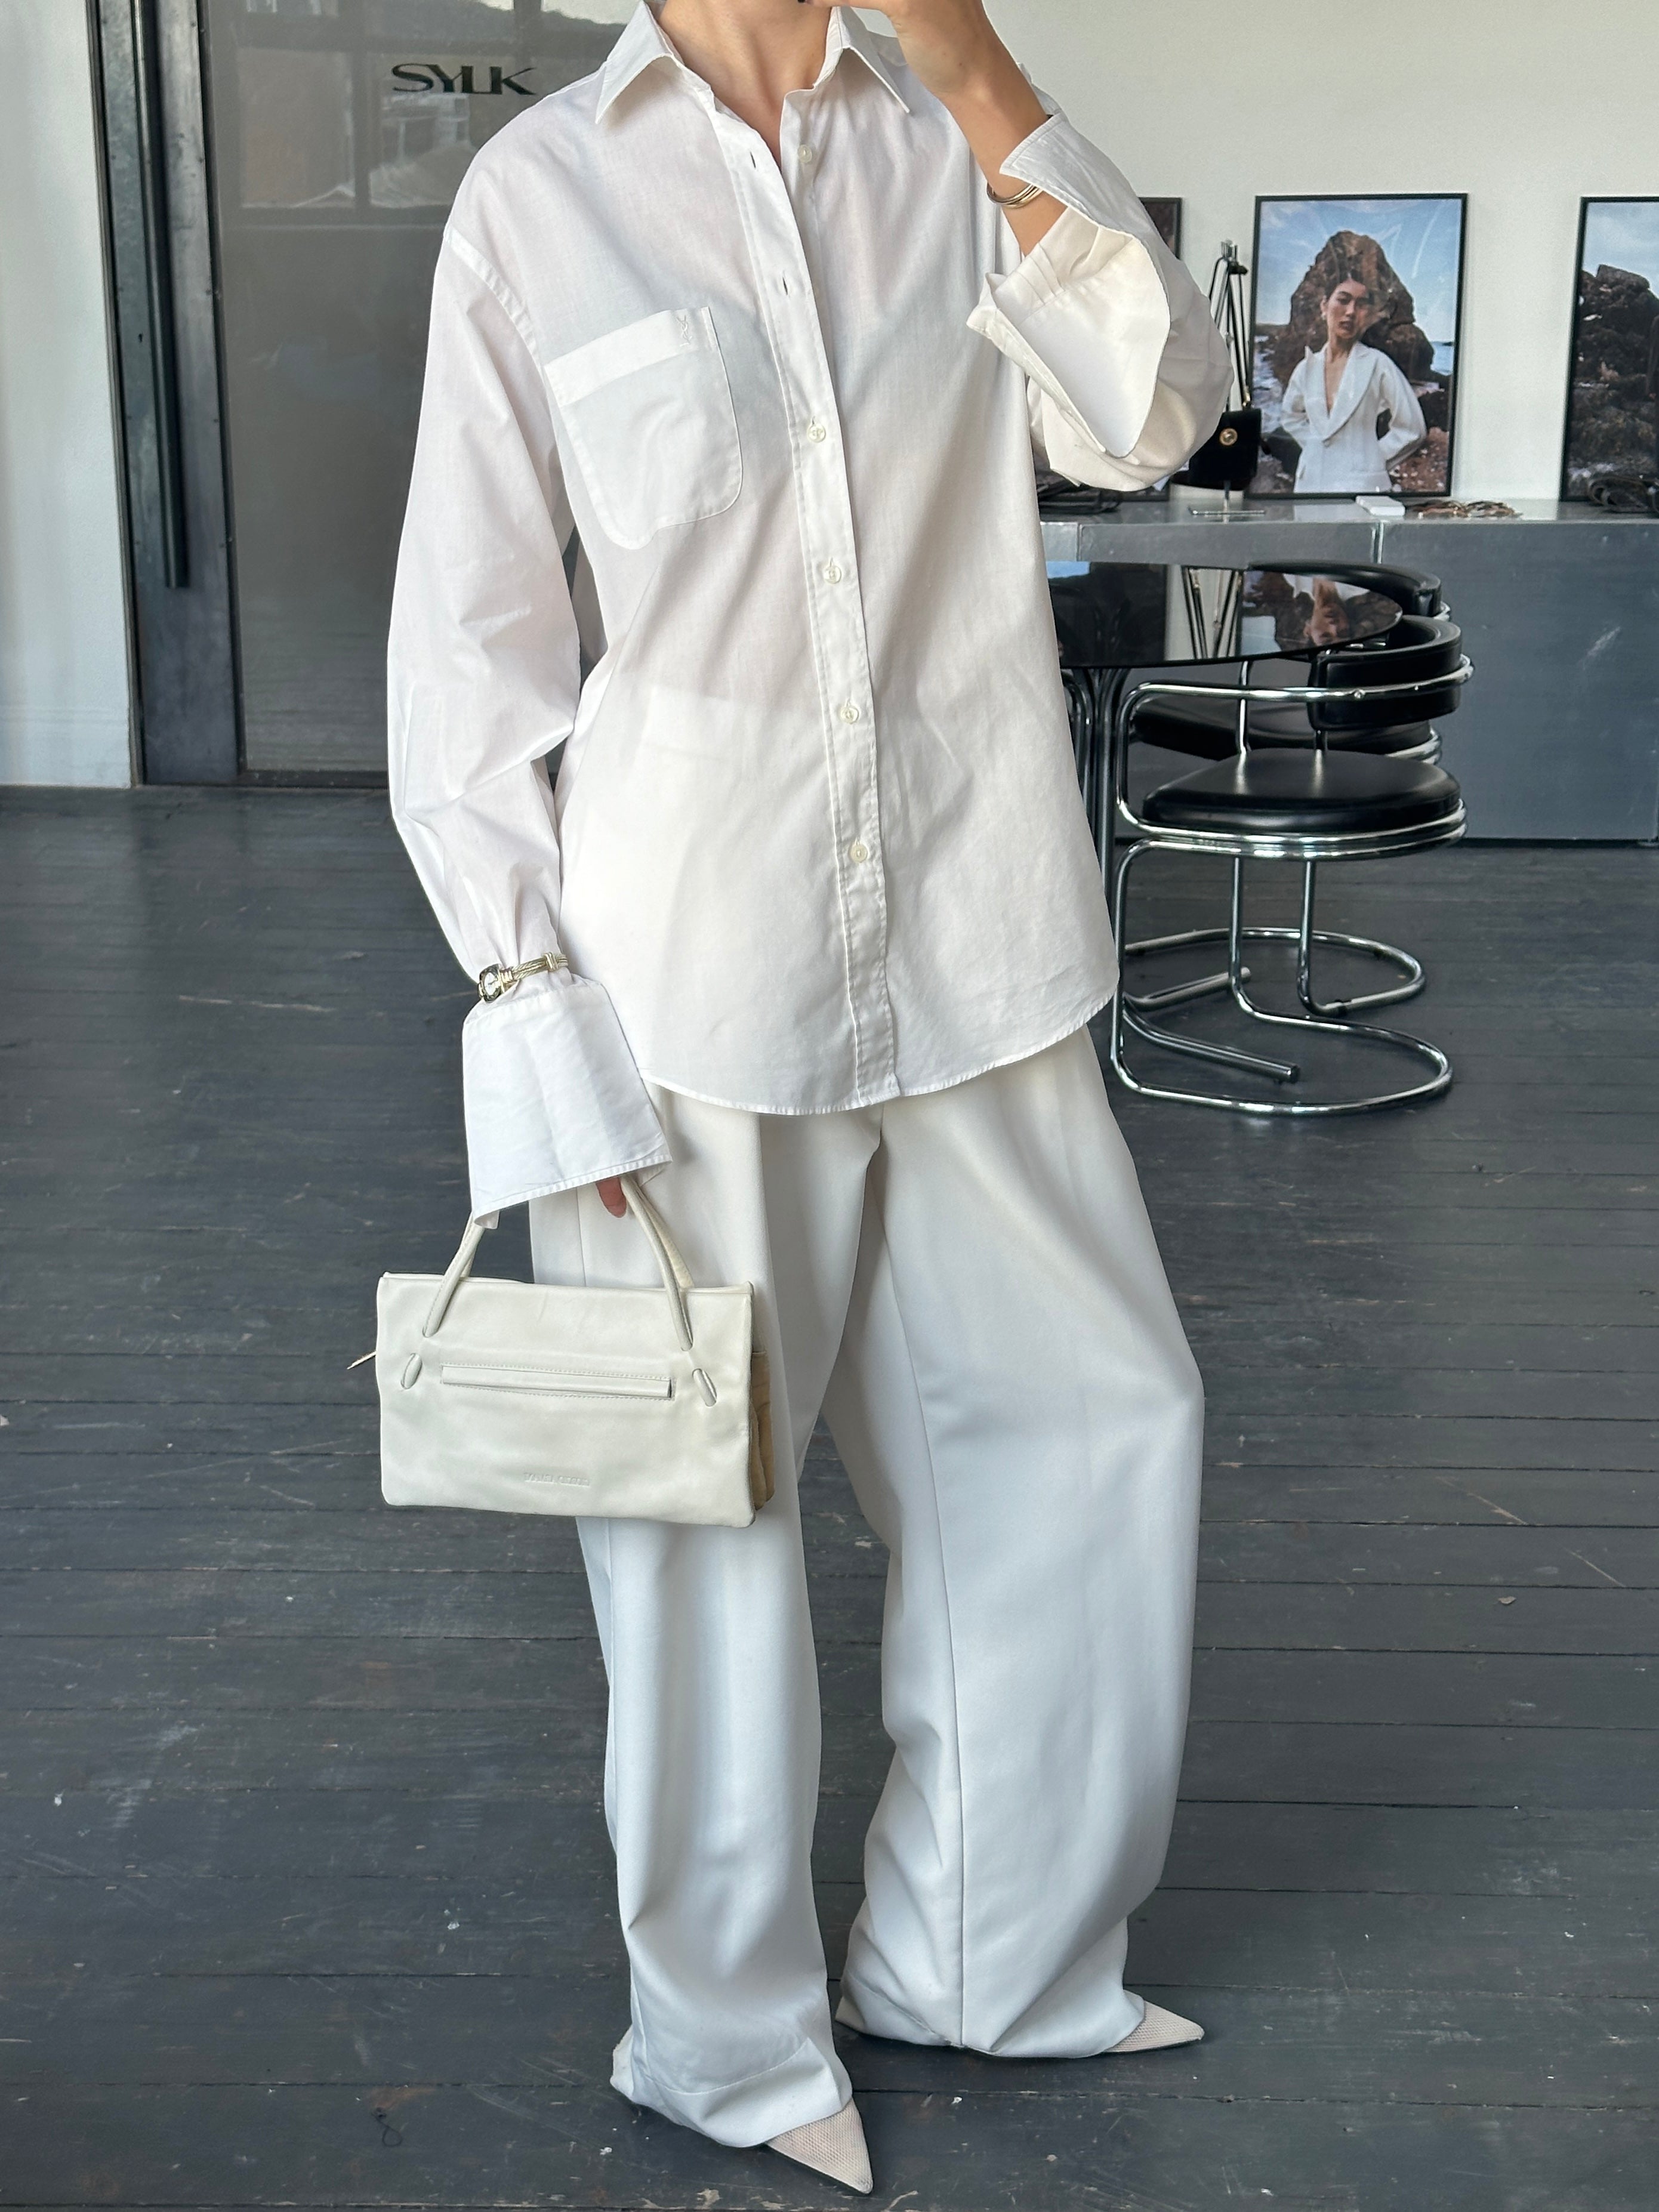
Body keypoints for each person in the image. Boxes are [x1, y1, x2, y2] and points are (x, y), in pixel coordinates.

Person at [387, 0, 1229, 2191]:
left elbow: (1154, 409)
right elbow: (469, 665)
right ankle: (726, 2050)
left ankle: (990, 1957)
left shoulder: (950, 139)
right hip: (683, 984)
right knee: (692, 1528)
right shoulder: (539, 198)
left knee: (1087, 1436)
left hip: (977, 933)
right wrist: (535, 1023)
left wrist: (972, 65)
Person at [1279, 267, 1426, 493]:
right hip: (1310, 484)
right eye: (1343, 300)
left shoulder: (1378, 364)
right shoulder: (1307, 368)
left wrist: (1373, 458)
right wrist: (1316, 447)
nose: (1350, 312)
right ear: (1324, 306)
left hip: (1363, 487)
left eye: (1361, 304)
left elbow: (1412, 428)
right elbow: (1291, 416)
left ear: (1367, 315)